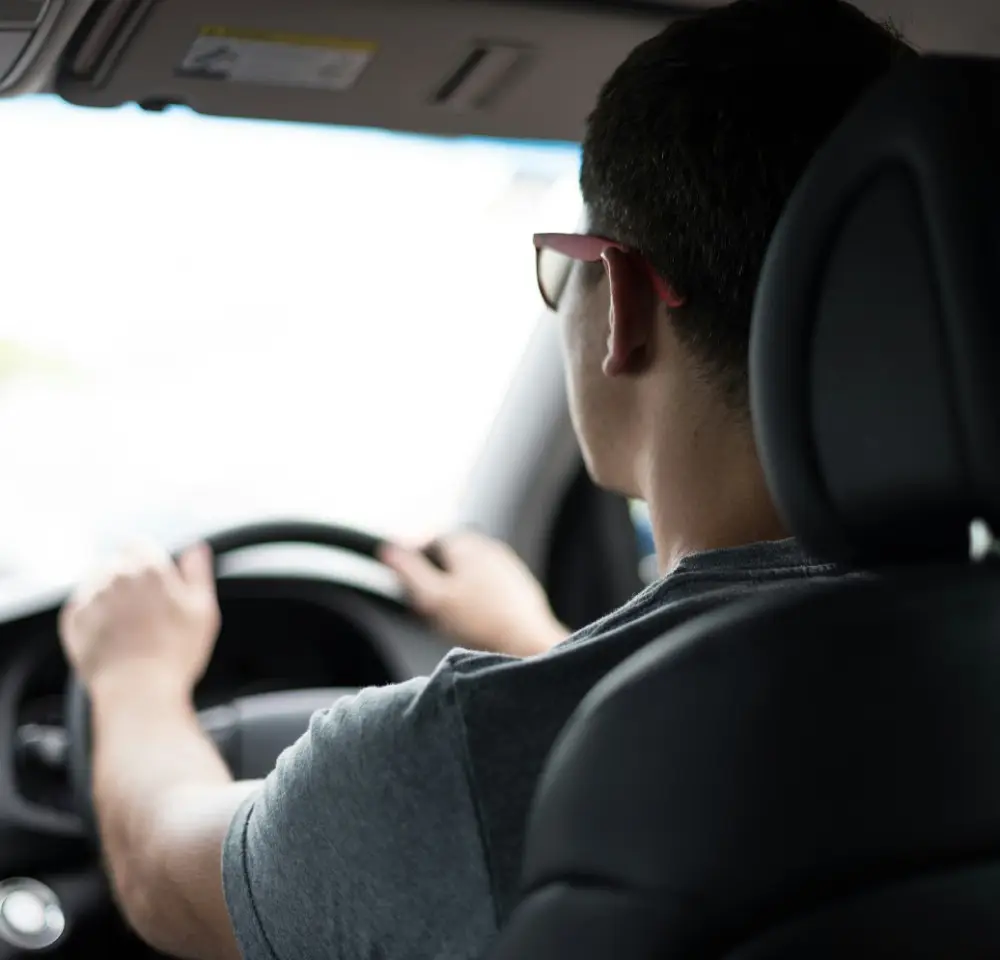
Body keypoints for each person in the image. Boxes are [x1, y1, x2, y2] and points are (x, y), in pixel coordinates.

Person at [57, 2, 912, 958]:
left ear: (620, 301)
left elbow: (164, 875)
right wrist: (536, 642)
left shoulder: (462, 759)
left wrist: (132, 675)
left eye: (568, 269)